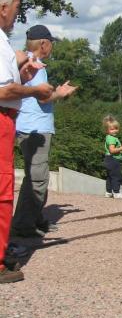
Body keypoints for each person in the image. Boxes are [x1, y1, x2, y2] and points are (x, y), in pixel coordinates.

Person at [0, 0, 53, 283]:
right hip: (7, 119)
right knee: (6, 188)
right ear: (3, 7)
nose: (18, 14)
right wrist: (36, 90)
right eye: (18, 6)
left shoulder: (6, 46)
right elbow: (4, 91)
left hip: (11, 120)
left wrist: (22, 75)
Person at [10, 25, 78, 238]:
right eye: (51, 43)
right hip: (35, 130)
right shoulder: (35, 65)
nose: (52, 47)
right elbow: (43, 97)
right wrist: (60, 93)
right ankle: (23, 225)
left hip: (29, 127)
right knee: (37, 178)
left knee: (36, 176)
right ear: (43, 44)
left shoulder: (26, 62)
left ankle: (35, 219)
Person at [102, 115, 122, 199]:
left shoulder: (109, 137)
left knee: (110, 176)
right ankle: (116, 193)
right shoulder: (112, 139)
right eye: (112, 129)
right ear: (107, 130)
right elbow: (112, 150)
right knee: (117, 176)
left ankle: (108, 192)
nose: (115, 130)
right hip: (113, 159)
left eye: (116, 128)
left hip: (108, 159)